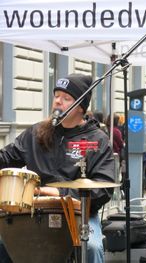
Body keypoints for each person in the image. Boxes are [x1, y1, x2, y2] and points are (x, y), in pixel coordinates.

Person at [0, 73, 115, 262]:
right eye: (56, 96)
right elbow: (6, 157)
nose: (58, 101)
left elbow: (103, 188)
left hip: (80, 213)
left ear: (80, 107)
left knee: (92, 248)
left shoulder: (97, 140)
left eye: (66, 98)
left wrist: (59, 192)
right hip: (35, 210)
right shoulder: (36, 132)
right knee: (4, 241)